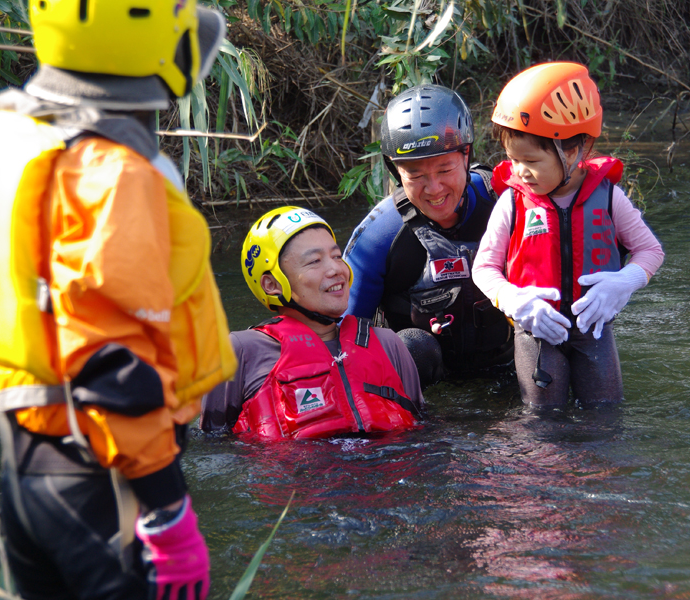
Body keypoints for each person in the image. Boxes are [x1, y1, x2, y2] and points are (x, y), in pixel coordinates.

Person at [0, 1, 236, 599]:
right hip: (105, 480)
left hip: (26, 470)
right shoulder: (112, 169)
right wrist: (166, 510)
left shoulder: (4, 136)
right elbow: (113, 361)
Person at [471, 61, 665, 409]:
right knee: (542, 423)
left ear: (572, 151)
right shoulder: (512, 203)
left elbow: (650, 251)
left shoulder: (608, 198)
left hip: (594, 332)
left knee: (606, 418)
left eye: (530, 161)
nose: (519, 172)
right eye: (513, 159)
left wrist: (626, 281)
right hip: (535, 332)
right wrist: (513, 300)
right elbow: (483, 268)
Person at [200, 206, 425, 439]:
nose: (336, 269)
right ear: (272, 285)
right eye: (315, 261)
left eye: (337, 256)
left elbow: (422, 432)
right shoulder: (240, 351)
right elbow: (214, 445)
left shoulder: (387, 343)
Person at [342, 84, 514, 387]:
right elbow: (344, 340)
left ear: (466, 155)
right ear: (396, 173)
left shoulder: (509, 200)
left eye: (444, 169)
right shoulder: (378, 236)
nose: (434, 189)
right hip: (426, 377)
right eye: (416, 175)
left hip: (513, 362)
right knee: (413, 346)